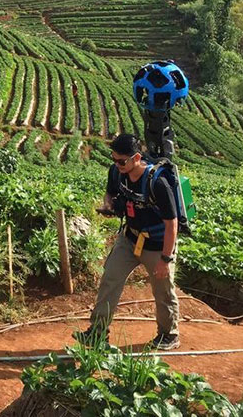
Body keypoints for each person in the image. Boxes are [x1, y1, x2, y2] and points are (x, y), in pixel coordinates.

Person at [74, 133, 180, 350]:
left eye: (122, 161)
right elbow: (109, 193)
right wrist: (109, 206)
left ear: (137, 157)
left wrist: (165, 259)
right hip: (129, 237)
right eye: (113, 159)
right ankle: (97, 332)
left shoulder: (157, 183)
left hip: (158, 243)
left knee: (162, 289)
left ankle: (169, 334)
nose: (117, 164)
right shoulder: (117, 172)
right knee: (110, 279)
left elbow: (172, 224)